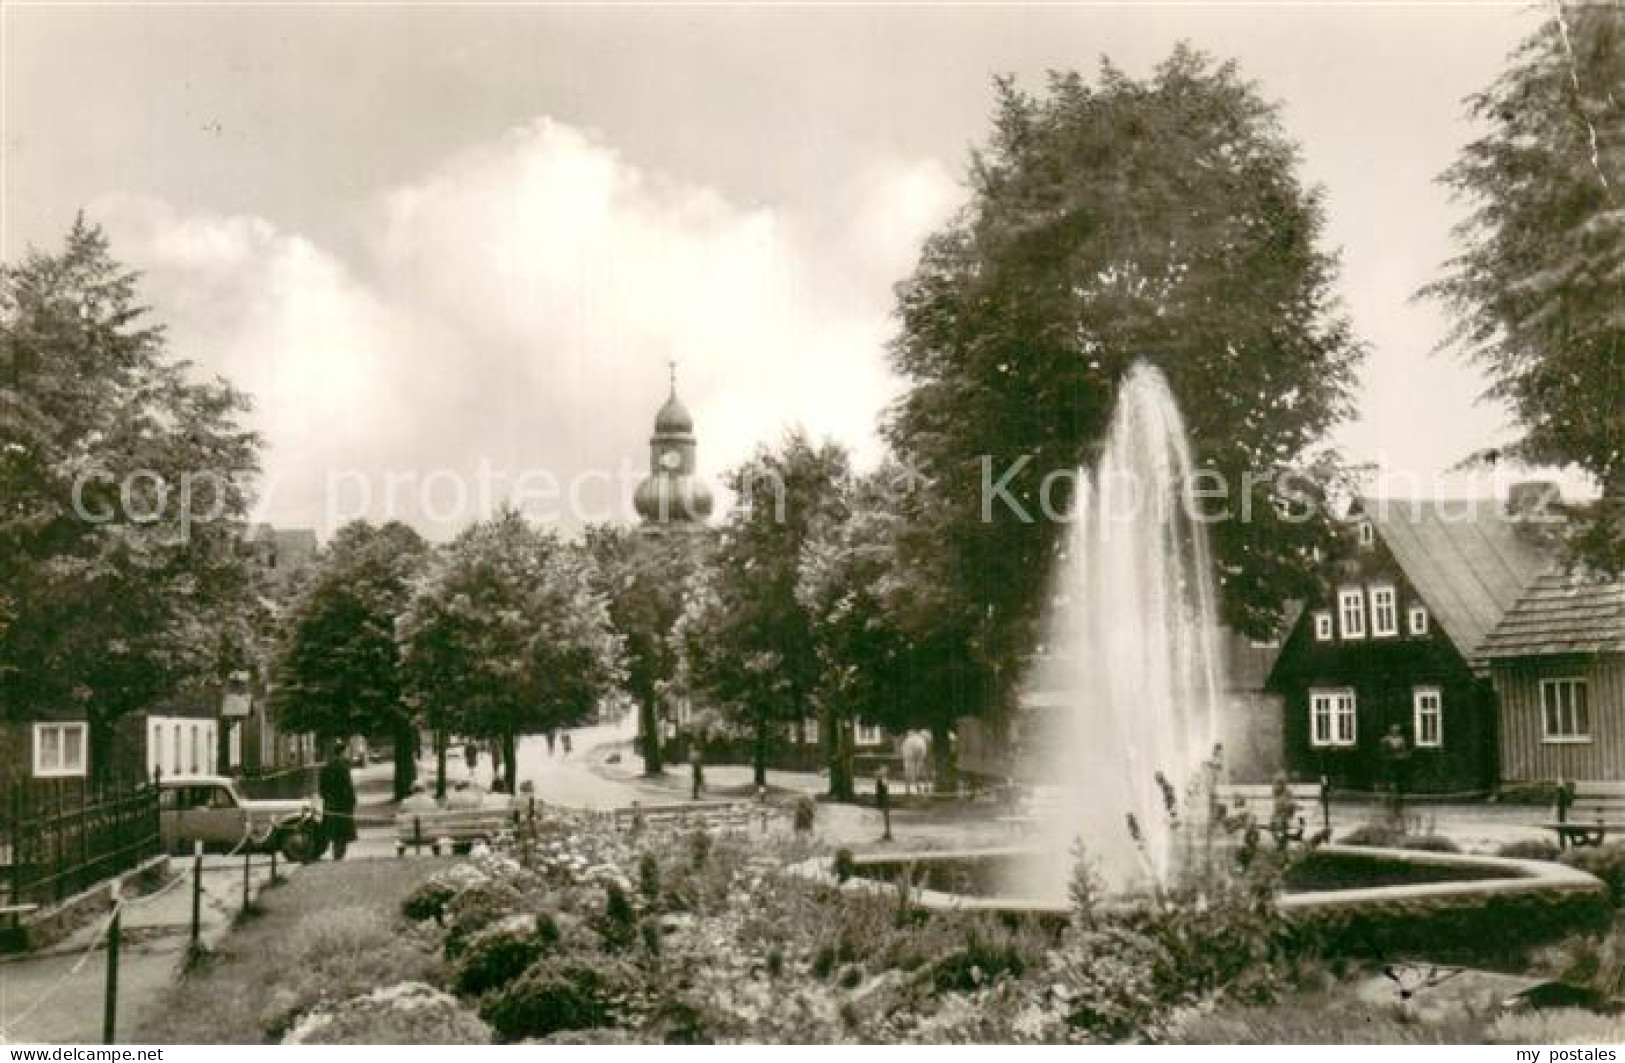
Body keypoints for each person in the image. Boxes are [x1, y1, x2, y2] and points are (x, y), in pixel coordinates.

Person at [319, 739, 358, 860]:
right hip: (342, 805)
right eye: (346, 752)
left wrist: (327, 798)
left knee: (334, 833)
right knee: (342, 834)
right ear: (342, 752)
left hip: (330, 804)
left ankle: (336, 854)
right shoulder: (343, 767)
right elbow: (347, 786)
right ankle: (338, 856)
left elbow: (322, 788)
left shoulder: (327, 767)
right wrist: (352, 800)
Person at [875, 765, 893, 842]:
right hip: (883, 798)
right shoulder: (881, 778)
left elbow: (885, 786)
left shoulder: (883, 779)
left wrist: (881, 777)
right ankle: (887, 832)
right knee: (886, 816)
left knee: (886, 816)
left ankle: (888, 833)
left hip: (884, 798)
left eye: (882, 770)